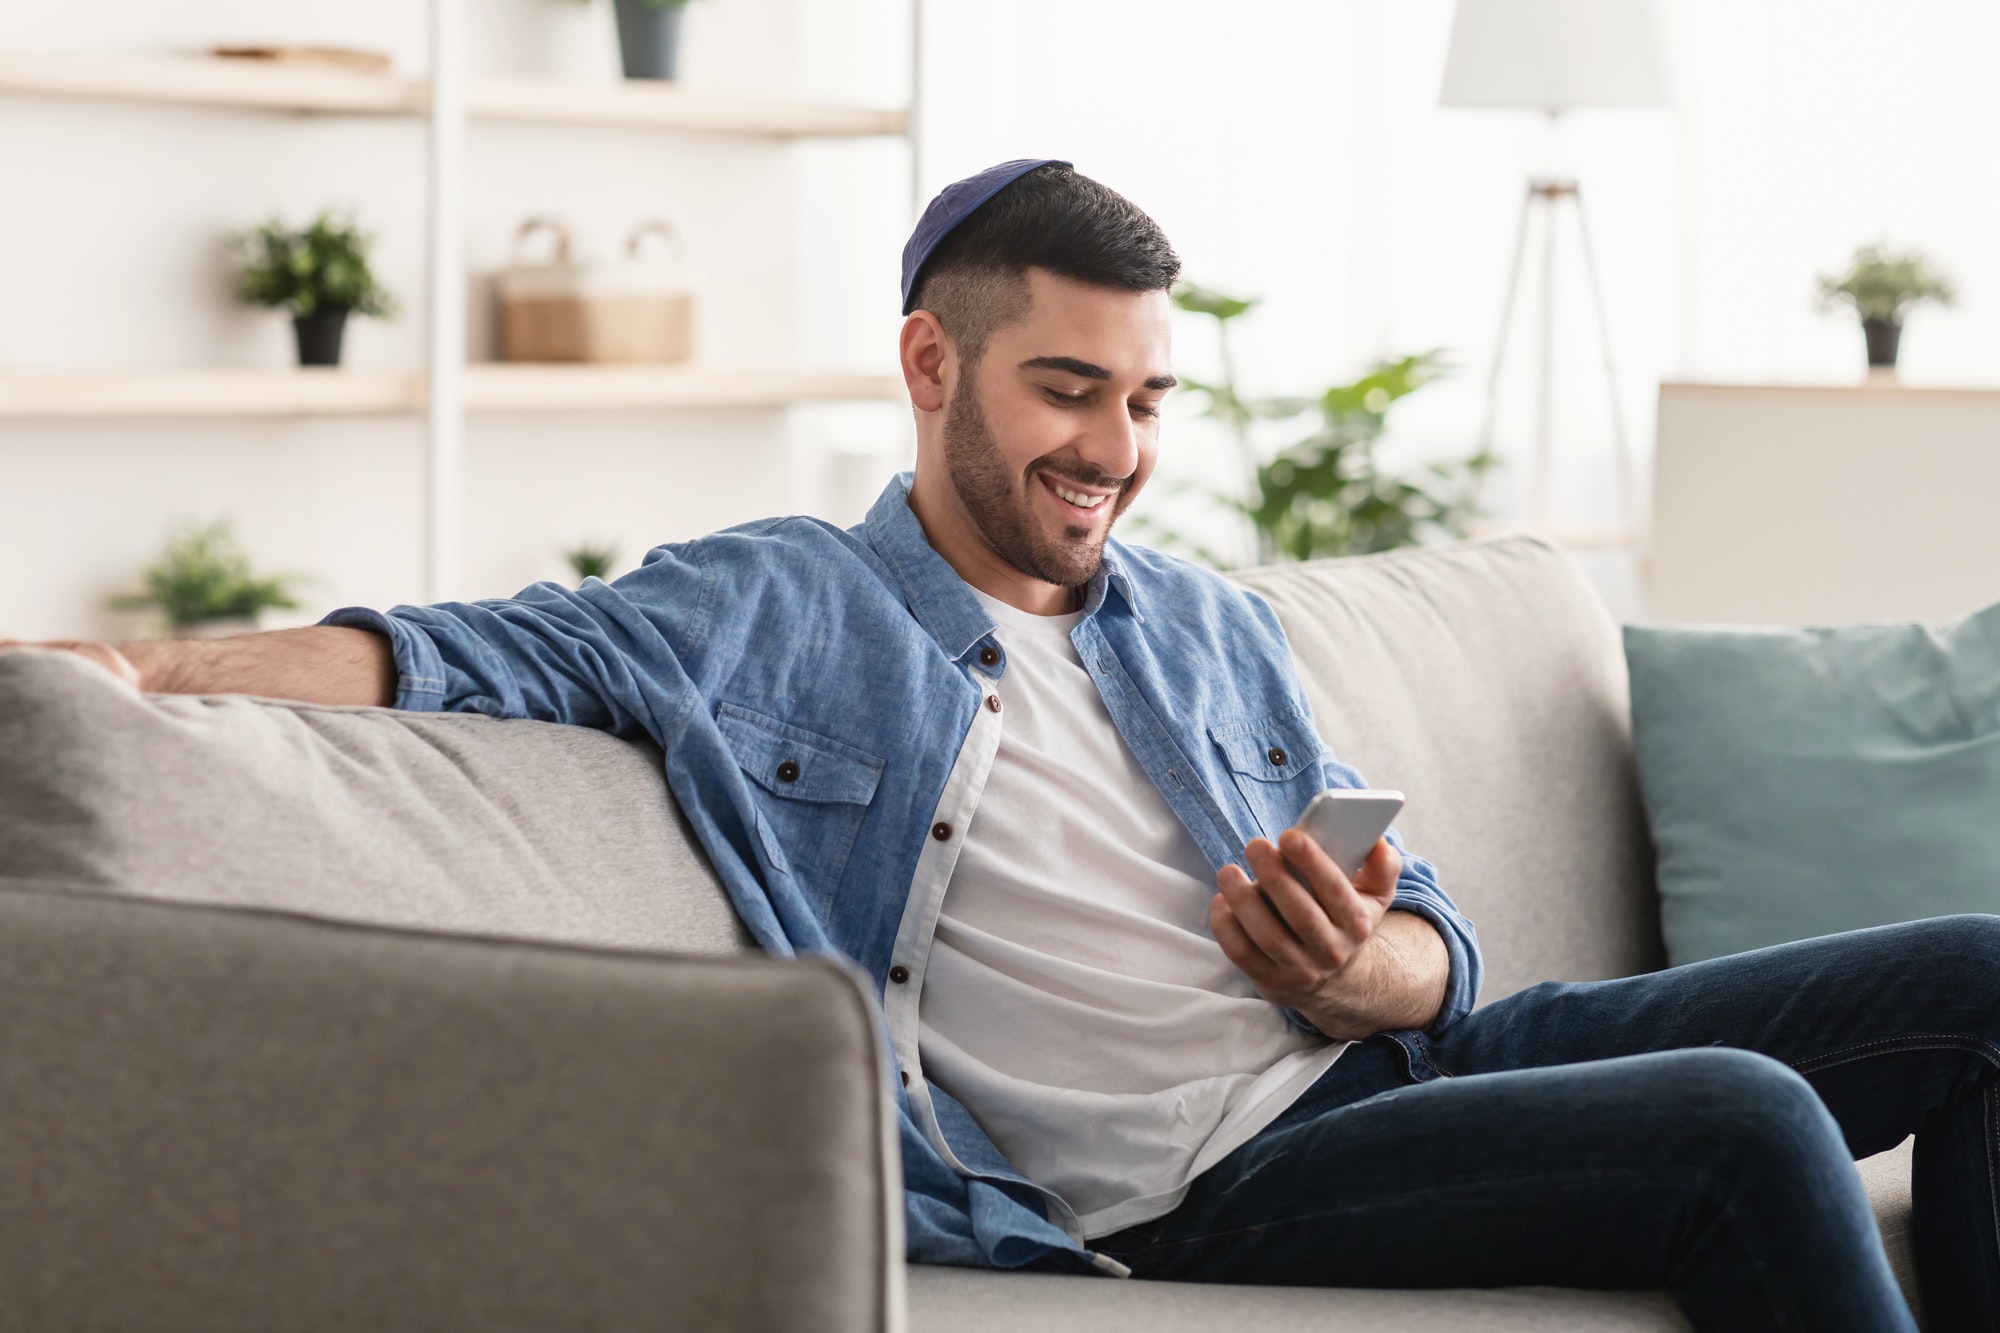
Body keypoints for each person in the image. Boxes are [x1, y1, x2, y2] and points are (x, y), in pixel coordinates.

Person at [8, 161, 1998, 1333]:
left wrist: (1369, 960)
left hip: (1396, 1052)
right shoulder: (772, 605)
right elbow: (440, 648)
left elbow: (1436, 940)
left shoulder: (1199, 618)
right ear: (928, 363)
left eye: (1143, 398)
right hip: (1200, 1183)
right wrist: (109, 667)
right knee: (1738, 1114)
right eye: (1065, 389)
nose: (1113, 451)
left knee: (1984, 975)